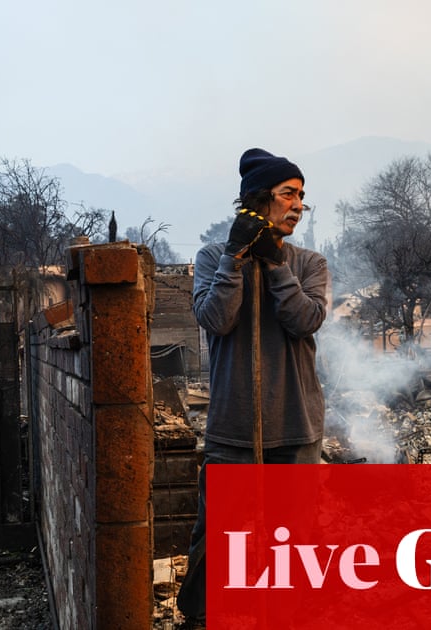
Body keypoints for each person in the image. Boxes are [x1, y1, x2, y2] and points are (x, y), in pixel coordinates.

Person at [176, 148, 331, 625]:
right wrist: (234, 258)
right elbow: (215, 320)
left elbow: (306, 320)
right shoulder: (210, 258)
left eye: (302, 196)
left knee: (294, 539)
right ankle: (203, 618)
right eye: (289, 194)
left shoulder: (308, 262)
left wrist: (277, 265)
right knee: (221, 535)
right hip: (234, 426)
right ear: (258, 201)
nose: (299, 205)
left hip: (295, 425)